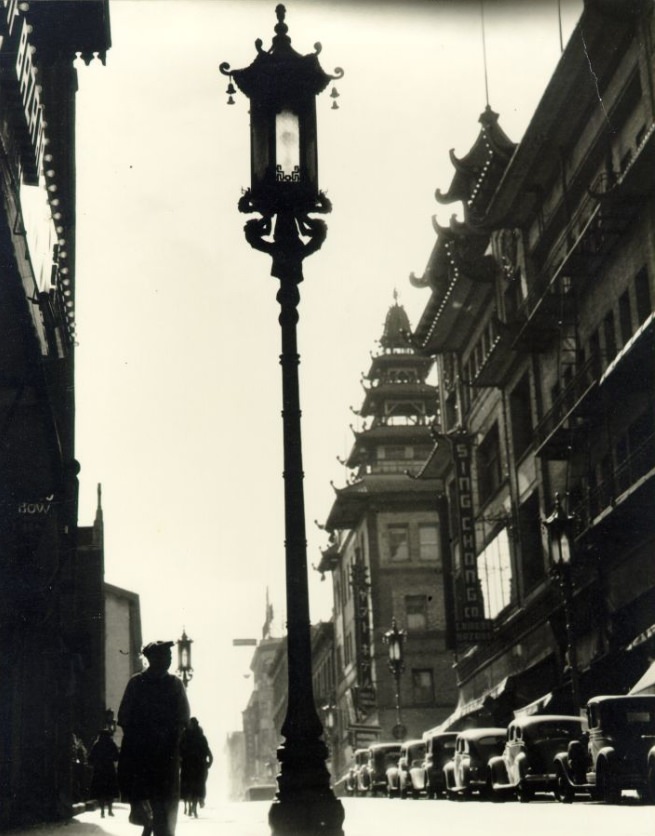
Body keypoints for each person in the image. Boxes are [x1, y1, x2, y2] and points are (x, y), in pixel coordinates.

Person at [117, 640, 190, 836]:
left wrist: (173, 736)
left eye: (169, 656)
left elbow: (183, 719)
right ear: (151, 659)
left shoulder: (175, 684)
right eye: (164, 655)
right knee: (148, 804)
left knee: (163, 808)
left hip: (165, 754)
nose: (168, 659)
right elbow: (124, 717)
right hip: (144, 755)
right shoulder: (137, 683)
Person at [180, 717, 213, 817]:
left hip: (189, 766)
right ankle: (194, 805)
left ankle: (192, 806)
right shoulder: (201, 737)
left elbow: (180, 750)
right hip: (197, 766)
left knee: (190, 787)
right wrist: (208, 763)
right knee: (196, 788)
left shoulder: (185, 737)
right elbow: (208, 752)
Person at [88, 729, 120, 817]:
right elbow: (116, 757)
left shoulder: (97, 745)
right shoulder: (111, 744)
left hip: (99, 770)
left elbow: (90, 758)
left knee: (100, 791)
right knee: (110, 791)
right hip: (109, 769)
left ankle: (102, 810)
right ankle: (110, 810)